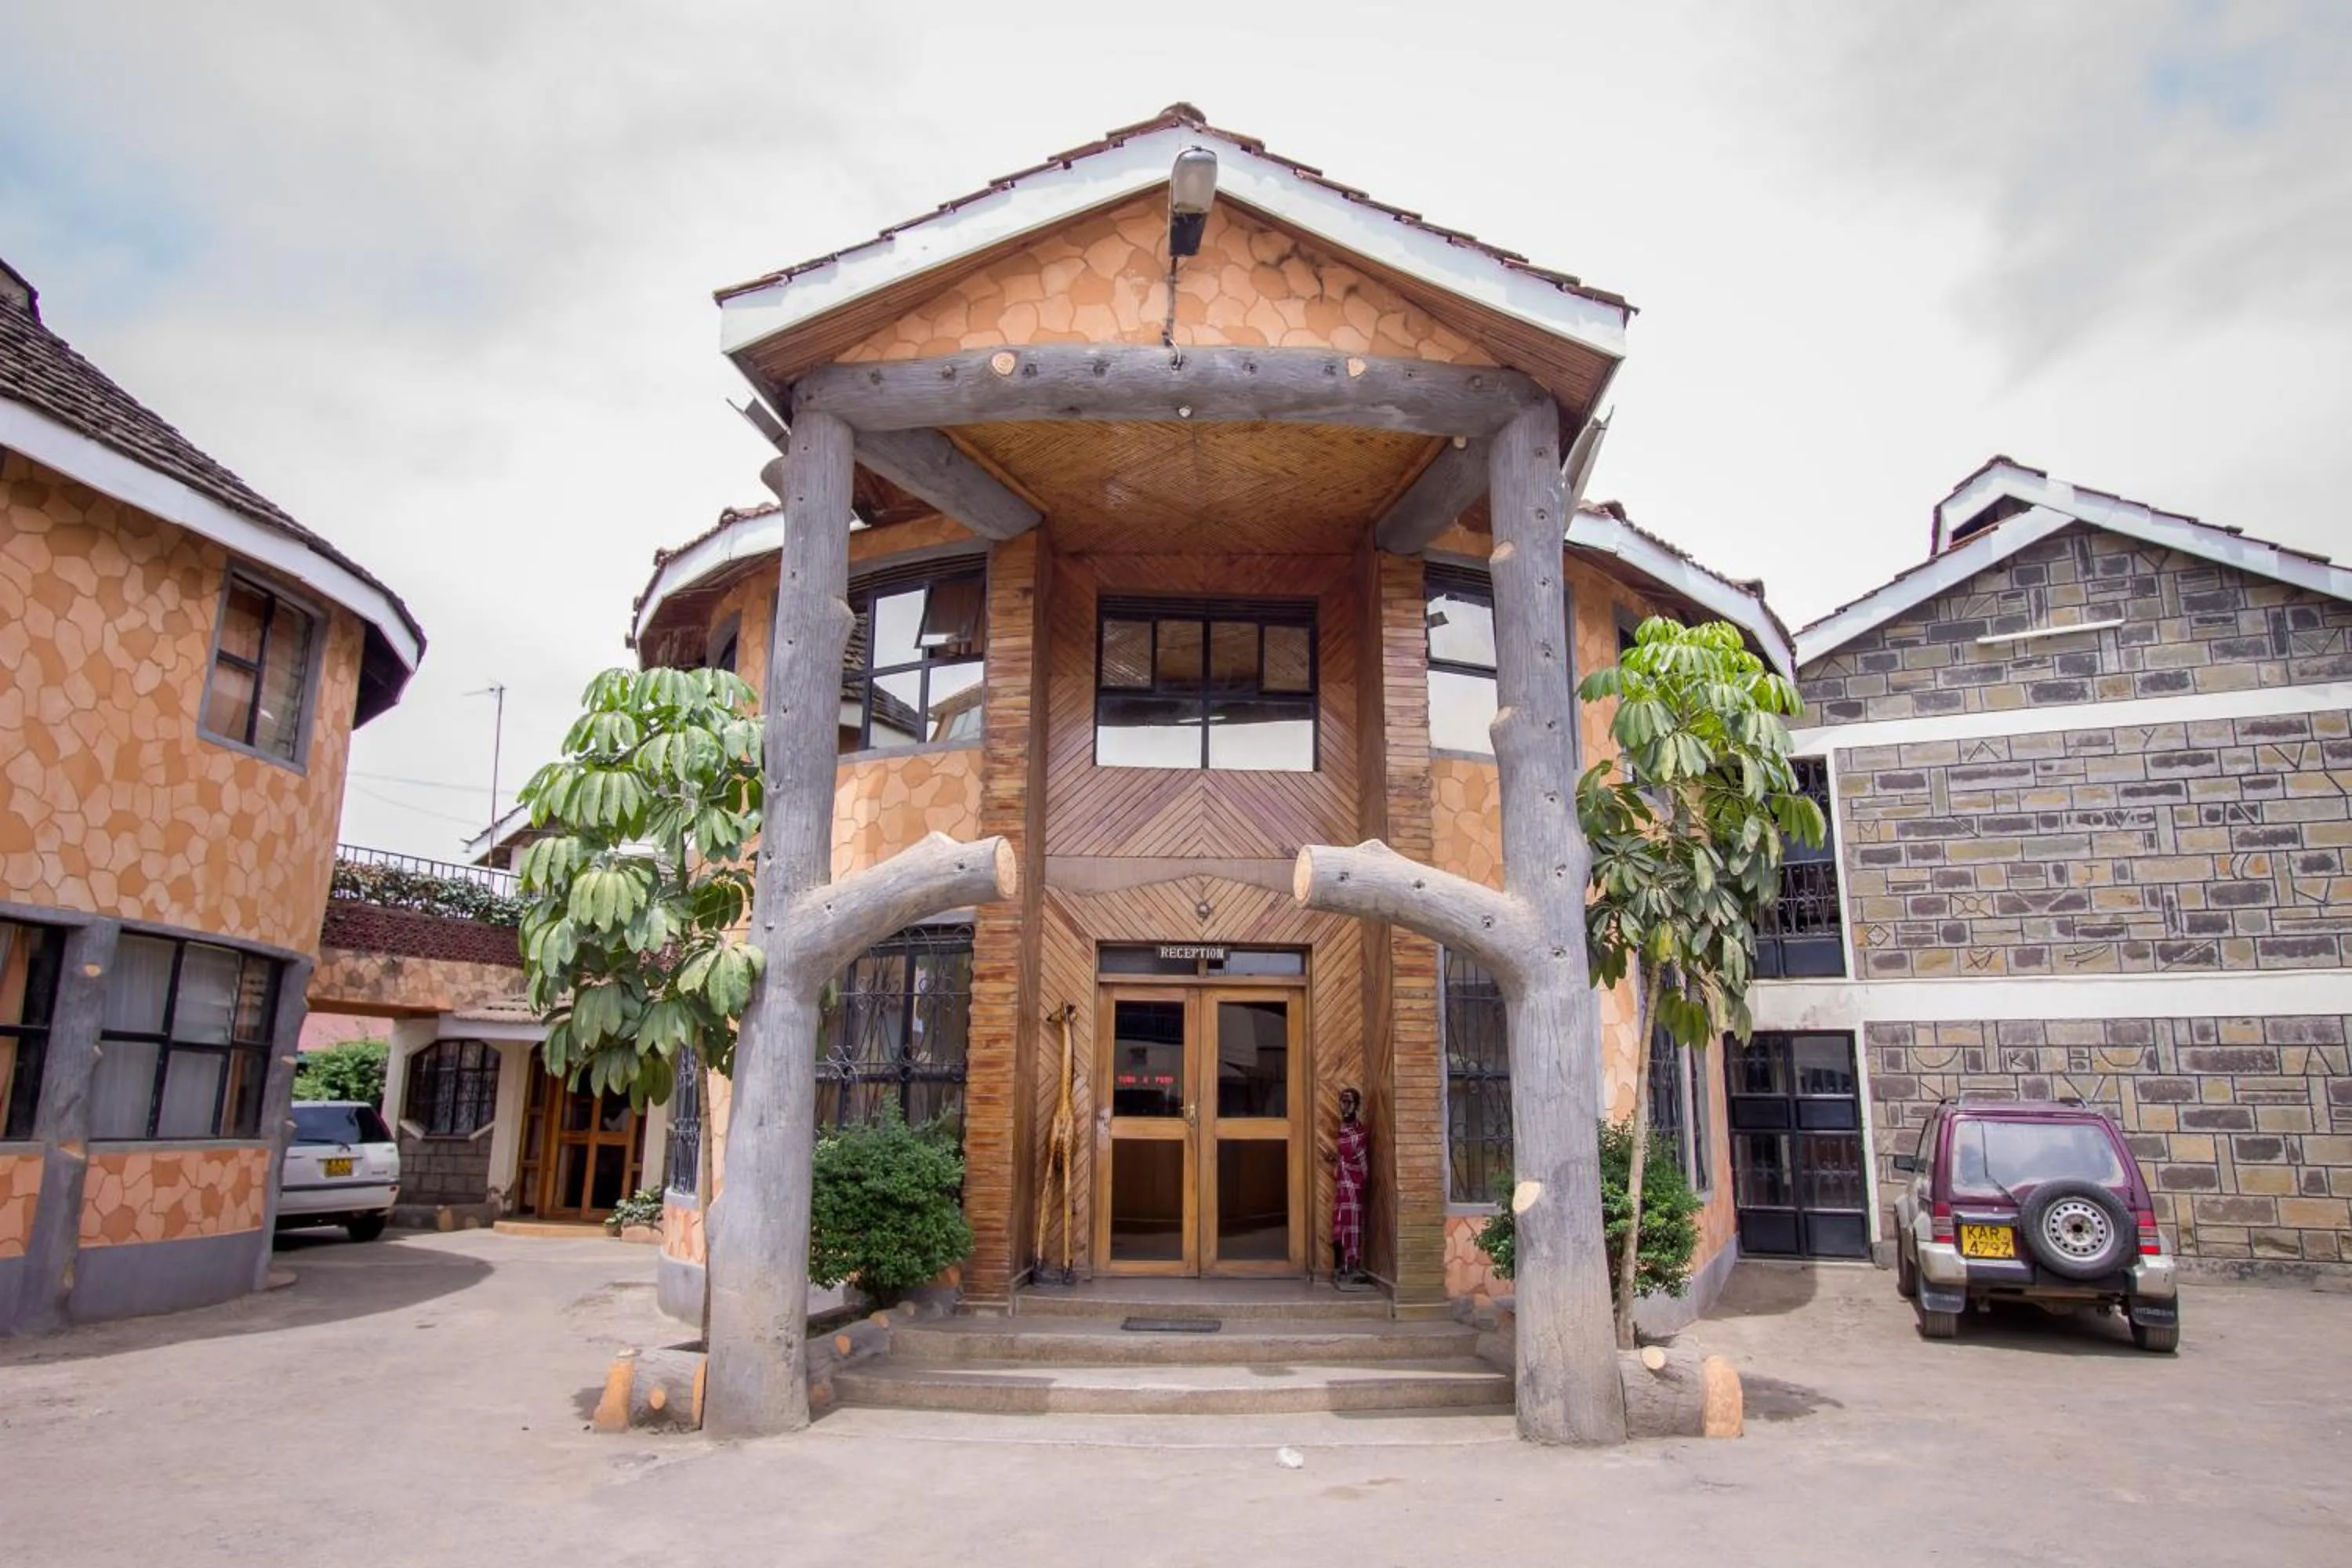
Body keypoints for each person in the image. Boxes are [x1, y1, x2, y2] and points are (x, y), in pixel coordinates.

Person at [1331, 1086, 1370, 1288]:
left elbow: (1362, 1165)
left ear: (1356, 1106)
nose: (1344, 1106)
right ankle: (1341, 1265)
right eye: (1342, 1101)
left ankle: (1353, 1265)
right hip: (1342, 1185)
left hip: (1353, 1185)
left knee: (1352, 1224)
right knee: (1340, 1223)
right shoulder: (1342, 1129)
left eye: (1348, 1102)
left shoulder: (1359, 1133)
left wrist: (1356, 1181)